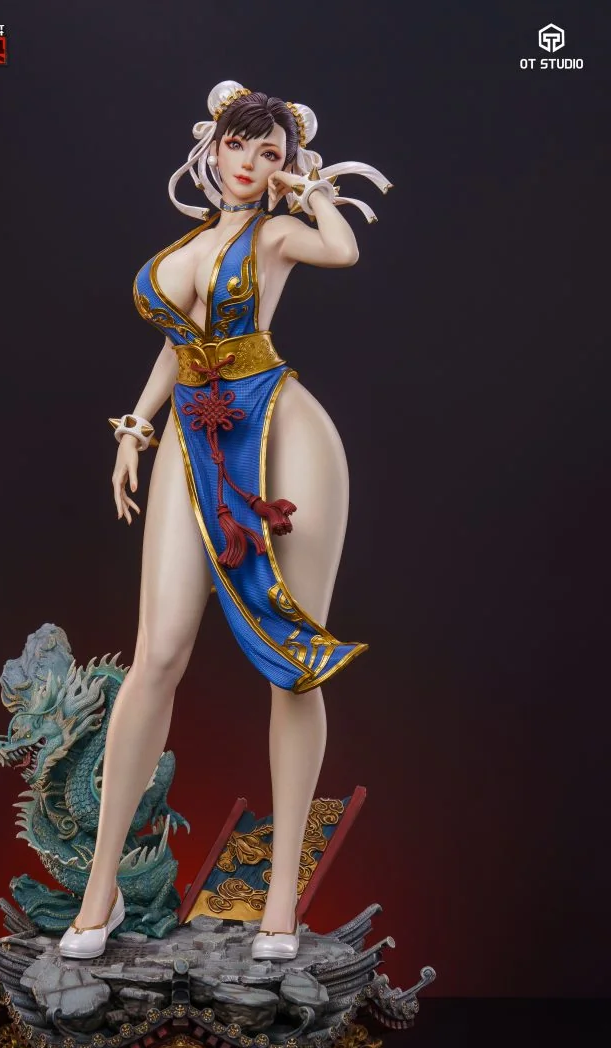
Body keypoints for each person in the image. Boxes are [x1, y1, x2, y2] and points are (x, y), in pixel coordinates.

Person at [59, 81, 392, 963]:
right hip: (191, 433)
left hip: (275, 429)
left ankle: (280, 900)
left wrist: (310, 189)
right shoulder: (187, 245)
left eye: (269, 152)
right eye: (240, 145)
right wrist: (135, 428)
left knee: (294, 658)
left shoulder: (274, 233)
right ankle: (100, 889)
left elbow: (343, 249)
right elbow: (179, 346)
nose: (249, 163)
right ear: (212, 145)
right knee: (157, 654)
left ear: (284, 164)